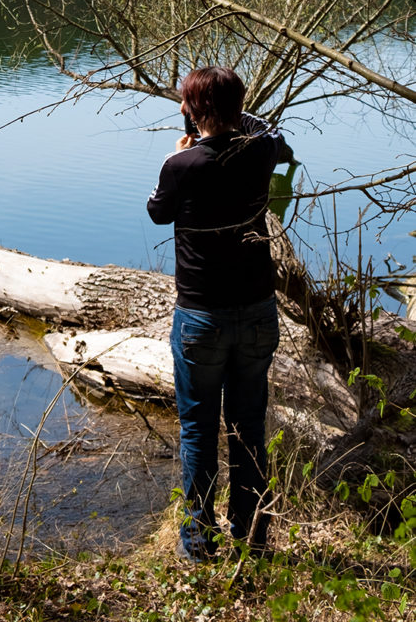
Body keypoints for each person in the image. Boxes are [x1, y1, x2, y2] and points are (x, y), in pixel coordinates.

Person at [147, 66, 294, 562]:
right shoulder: (260, 151)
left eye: (187, 103)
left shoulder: (182, 165)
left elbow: (156, 211)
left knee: (198, 429)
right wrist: (231, 115)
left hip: (201, 318)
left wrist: (176, 152)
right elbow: (272, 134)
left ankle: (199, 545)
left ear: (194, 110)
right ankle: (252, 540)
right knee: (249, 426)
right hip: (256, 313)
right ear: (236, 107)